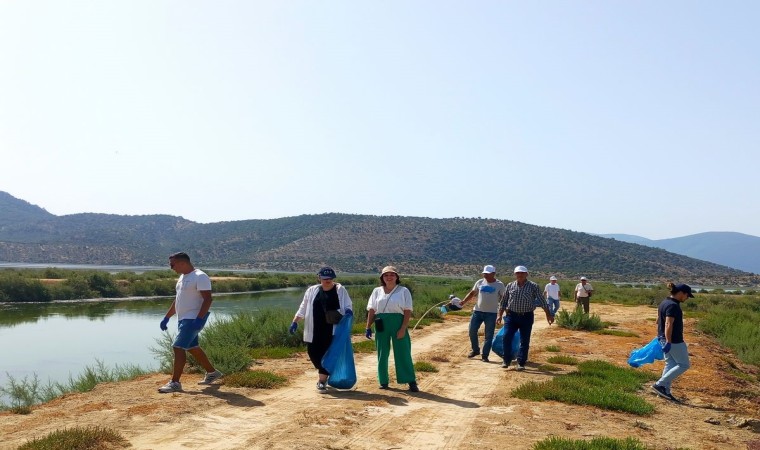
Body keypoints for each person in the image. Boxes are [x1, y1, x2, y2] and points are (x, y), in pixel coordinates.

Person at [158, 252, 223, 393]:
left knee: (178, 347)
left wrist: (199, 319)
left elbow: (208, 299)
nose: (171, 267)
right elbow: (178, 300)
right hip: (182, 318)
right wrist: (167, 317)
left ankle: (175, 383)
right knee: (192, 347)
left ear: (182, 263)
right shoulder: (182, 277)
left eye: (172, 264)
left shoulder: (200, 276)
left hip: (192, 318)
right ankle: (212, 373)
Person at [290, 266, 353, 393]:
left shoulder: (340, 290)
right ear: (319, 278)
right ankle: (325, 371)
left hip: (333, 329)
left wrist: (348, 311)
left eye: (330, 278)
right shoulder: (312, 290)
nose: (327, 280)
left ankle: (322, 381)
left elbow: (348, 305)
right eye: (324, 278)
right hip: (314, 328)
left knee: (328, 353)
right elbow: (303, 306)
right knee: (312, 353)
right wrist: (295, 321)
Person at [365, 266, 419, 392]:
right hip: (381, 324)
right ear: (382, 277)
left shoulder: (403, 291)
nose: (389, 277)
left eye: (392, 275)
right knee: (382, 352)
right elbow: (372, 309)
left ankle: (410, 380)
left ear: (396, 277)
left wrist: (403, 328)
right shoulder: (376, 291)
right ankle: (383, 381)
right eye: (386, 275)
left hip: (398, 323)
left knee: (403, 352)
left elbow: (407, 310)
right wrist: (368, 326)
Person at [497, 266, 554, 370]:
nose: (520, 275)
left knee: (524, 340)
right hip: (511, 316)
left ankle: (521, 362)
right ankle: (506, 359)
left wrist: (548, 315)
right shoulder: (510, 285)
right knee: (506, 337)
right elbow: (504, 301)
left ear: (526, 274)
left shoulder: (533, 286)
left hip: (526, 316)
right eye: (518, 273)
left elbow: (542, 301)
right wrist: (499, 315)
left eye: (522, 273)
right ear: (515, 274)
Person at [652, 282, 694, 402]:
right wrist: (669, 341)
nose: (687, 298)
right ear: (681, 293)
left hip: (663, 338)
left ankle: (665, 391)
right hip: (674, 340)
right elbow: (668, 323)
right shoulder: (673, 306)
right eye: (687, 295)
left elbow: (657, 321)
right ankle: (659, 384)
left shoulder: (664, 303)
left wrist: (662, 338)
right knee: (684, 364)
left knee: (670, 364)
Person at [460, 265, 506, 363]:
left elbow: (504, 298)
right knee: (472, 331)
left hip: (491, 313)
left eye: (487, 274)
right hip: (477, 311)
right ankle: (475, 350)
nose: (485, 275)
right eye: (484, 274)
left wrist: (502, 312)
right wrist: (464, 301)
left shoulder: (499, 285)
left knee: (488, 336)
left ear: (493, 274)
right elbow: (472, 293)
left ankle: (485, 355)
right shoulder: (479, 282)